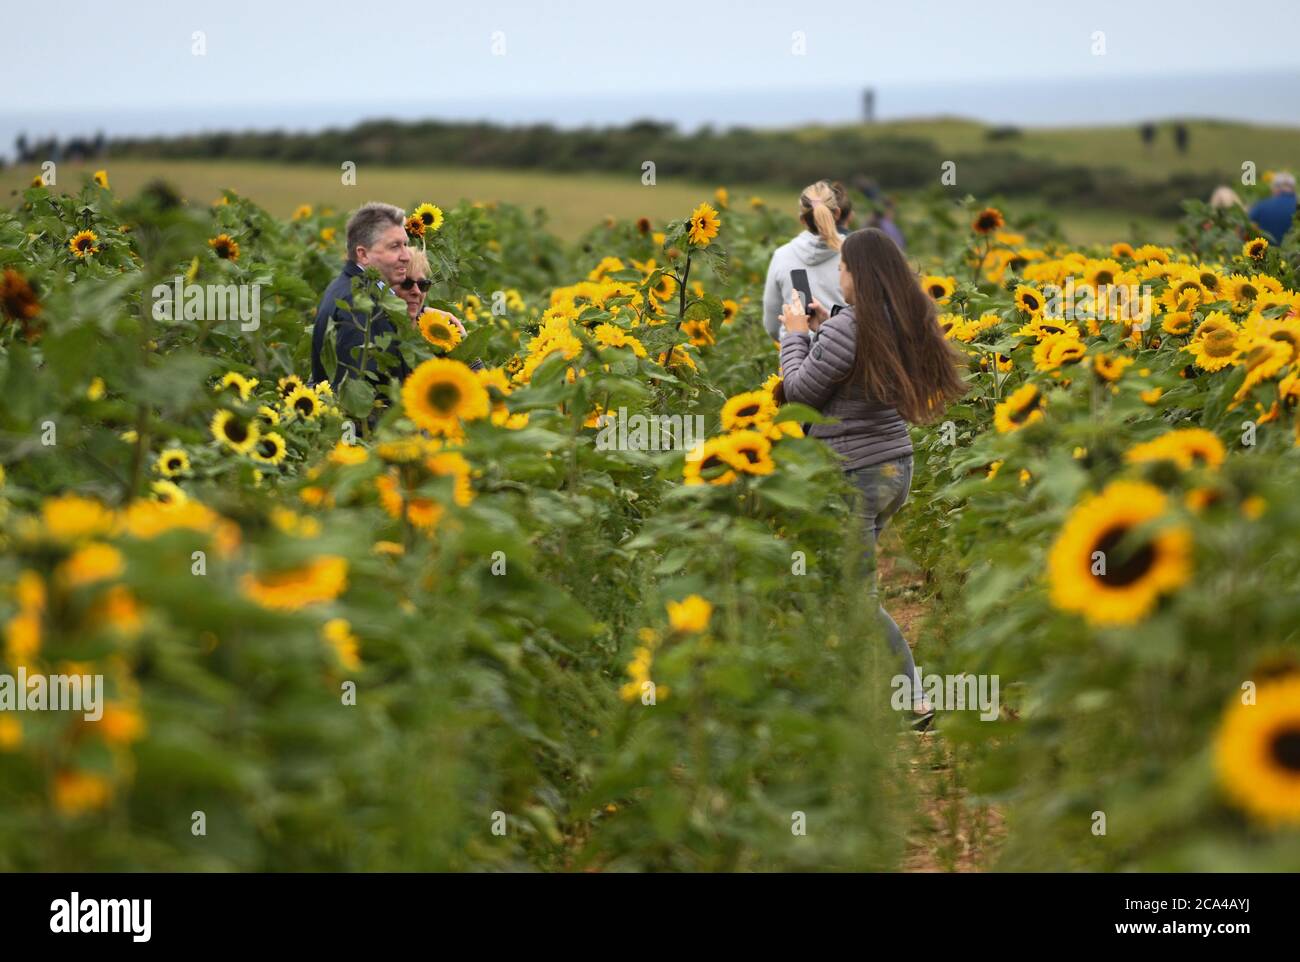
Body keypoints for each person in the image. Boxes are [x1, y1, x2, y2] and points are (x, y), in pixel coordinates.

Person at [777, 228, 969, 727]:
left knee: (851, 595)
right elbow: (851, 366)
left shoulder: (851, 328)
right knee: (839, 584)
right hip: (893, 467)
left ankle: (913, 702)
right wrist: (824, 327)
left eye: (841, 269)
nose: (837, 276)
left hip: (854, 472)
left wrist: (797, 333)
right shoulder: (897, 320)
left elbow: (798, 394)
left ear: (858, 274)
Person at [310, 201, 413, 392]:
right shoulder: (358, 303)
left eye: (405, 244)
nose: (406, 255)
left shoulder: (349, 288)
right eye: (395, 246)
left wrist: (423, 312)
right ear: (363, 254)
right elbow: (361, 388)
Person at [762, 180, 852, 342]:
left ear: (802, 219)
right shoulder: (855, 253)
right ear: (837, 213)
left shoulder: (782, 255)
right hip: (844, 357)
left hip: (793, 358)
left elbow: (771, 324)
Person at [397, 247, 484, 371]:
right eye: (406, 283)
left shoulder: (436, 338)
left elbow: (482, 384)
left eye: (423, 285)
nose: (416, 291)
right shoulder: (375, 331)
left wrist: (463, 346)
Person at [1248, 171, 1297, 244]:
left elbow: (1244, 228)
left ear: (1275, 188)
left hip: (1267, 253)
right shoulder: (1297, 205)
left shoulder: (1261, 206)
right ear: (1293, 188)